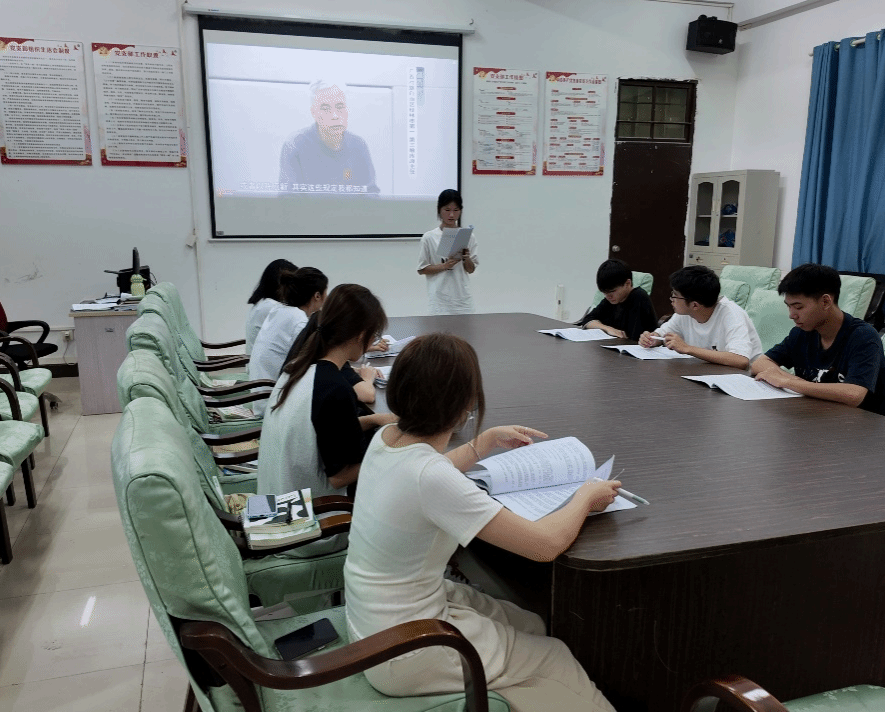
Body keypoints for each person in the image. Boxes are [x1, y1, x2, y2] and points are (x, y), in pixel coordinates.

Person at [344, 333, 619, 711]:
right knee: (552, 652)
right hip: (407, 651)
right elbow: (545, 545)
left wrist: (482, 443)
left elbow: (429, 475)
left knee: (528, 623)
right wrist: (587, 496)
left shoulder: (387, 438)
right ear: (465, 405)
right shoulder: (431, 478)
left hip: (373, 620)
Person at [257, 284, 398, 497]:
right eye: (375, 334)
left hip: (273, 495)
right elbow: (340, 476)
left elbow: (323, 429)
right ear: (361, 335)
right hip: (309, 511)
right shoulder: (334, 388)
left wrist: (374, 419)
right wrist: (390, 444)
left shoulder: (297, 368)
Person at [750, 263, 885, 417]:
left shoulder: (863, 336)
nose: (792, 315)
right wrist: (790, 379)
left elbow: (854, 394)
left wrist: (788, 382)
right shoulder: (802, 333)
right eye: (789, 306)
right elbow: (760, 363)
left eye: (798, 307)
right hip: (819, 417)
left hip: (865, 425)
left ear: (825, 302)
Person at [638, 265, 762, 369]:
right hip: (705, 372)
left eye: (675, 295)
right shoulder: (685, 313)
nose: (671, 299)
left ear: (695, 305)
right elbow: (662, 334)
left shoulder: (732, 314)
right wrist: (653, 339)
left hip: (742, 377)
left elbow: (741, 360)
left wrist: (687, 348)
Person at [278, 80, 379, 195]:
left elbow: (371, 197)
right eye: (326, 109)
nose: (335, 116)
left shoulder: (358, 146)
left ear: (347, 110)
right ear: (314, 113)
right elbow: (289, 201)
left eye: (340, 107)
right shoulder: (295, 146)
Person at [249, 266, 327, 388]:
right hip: (271, 392)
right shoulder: (299, 321)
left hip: (258, 387)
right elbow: (313, 360)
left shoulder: (280, 310)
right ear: (317, 296)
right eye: (326, 292)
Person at [418, 189, 478, 315]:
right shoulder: (429, 237)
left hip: (463, 301)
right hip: (439, 301)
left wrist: (466, 258)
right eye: (447, 210)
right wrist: (445, 266)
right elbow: (422, 269)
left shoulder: (468, 236)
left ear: (460, 211)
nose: (451, 215)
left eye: (456, 210)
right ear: (439, 210)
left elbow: (471, 269)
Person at [577, 259, 656, 338]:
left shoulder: (639, 297)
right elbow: (588, 320)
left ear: (627, 283)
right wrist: (608, 329)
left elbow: (632, 337)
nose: (608, 296)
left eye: (612, 291)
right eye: (604, 292)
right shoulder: (611, 300)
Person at [244, 258, 297, 355]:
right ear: (280, 283)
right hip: (264, 362)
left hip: (257, 359)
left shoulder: (262, 303)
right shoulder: (272, 307)